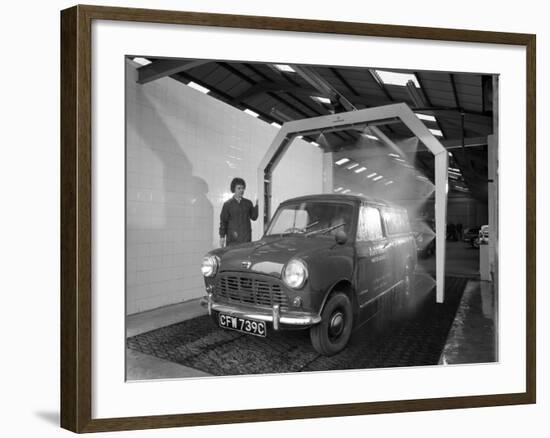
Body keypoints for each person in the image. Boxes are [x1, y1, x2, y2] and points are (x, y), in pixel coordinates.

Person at [219, 177, 259, 247]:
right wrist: (222, 237)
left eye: (243, 188)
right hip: (233, 238)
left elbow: (254, 217)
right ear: (234, 189)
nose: (241, 190)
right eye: (239, 188)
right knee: (232, 256)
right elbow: (223, 221)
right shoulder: (228, 204)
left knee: (245, 256)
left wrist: (257, 206)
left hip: (246, 238)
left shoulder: (248, 203)